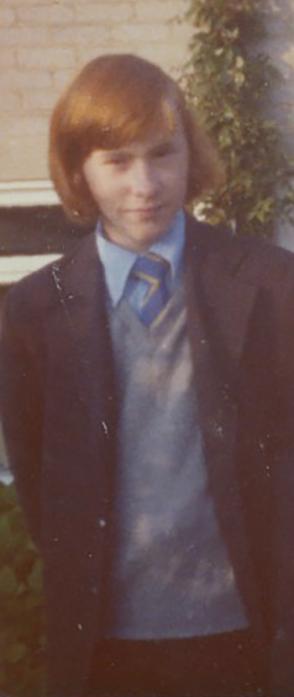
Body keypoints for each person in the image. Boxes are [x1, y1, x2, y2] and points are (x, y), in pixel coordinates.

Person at [1, 53, 294, 697]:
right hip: (106, 639)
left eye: (163, 154)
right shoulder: (33, 309)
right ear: (79, 169)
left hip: (242, 627)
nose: (145, 184)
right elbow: (38, 474)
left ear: (191, 156)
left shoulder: (269, 284)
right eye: (117, 161)